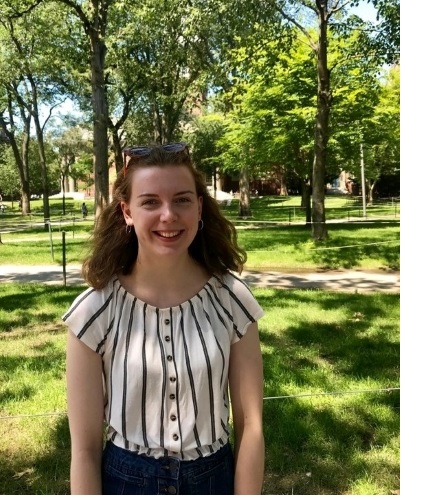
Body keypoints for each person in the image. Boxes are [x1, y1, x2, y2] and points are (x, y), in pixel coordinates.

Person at [63, 142, 265, 495]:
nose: (168, 214)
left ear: (199, 207)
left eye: (182, 199)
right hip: (125, 481)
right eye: (150, 201)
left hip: (213, 479)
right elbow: (84, 449)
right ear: (127, 212)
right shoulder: (93, 311)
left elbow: (252, 427)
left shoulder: (232, 299)